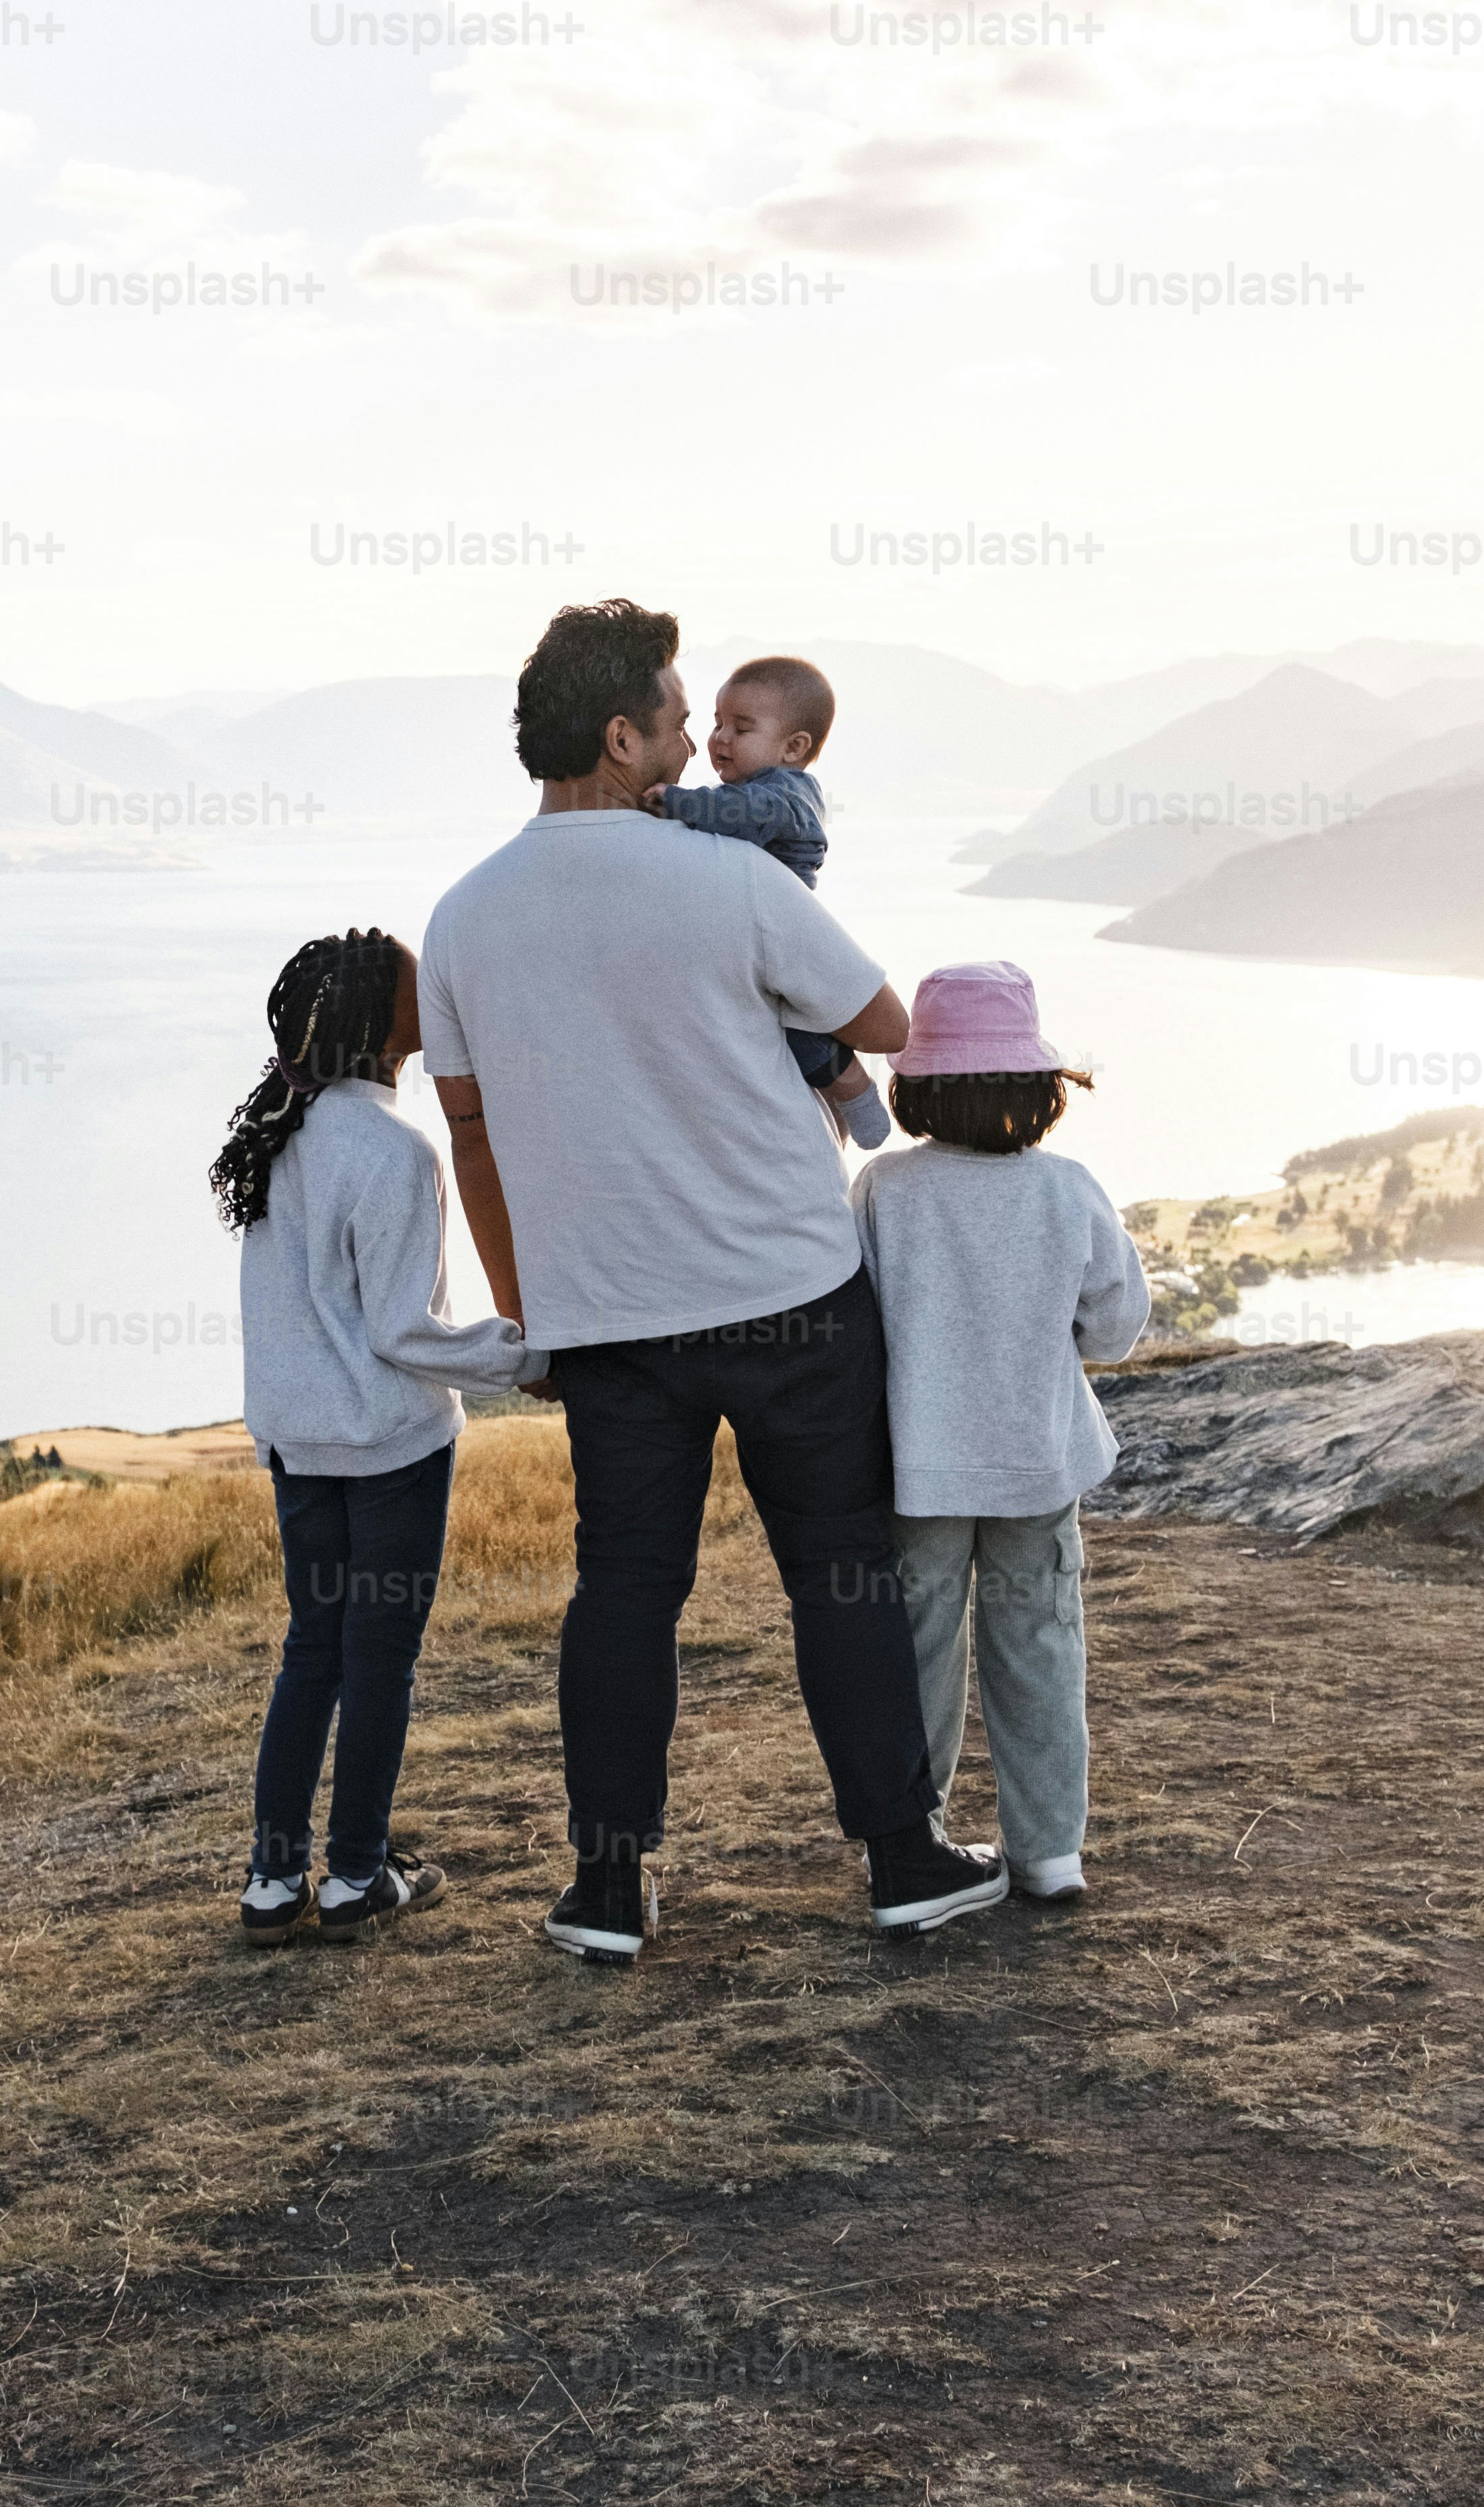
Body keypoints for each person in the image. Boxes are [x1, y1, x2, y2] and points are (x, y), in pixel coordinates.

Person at [415, 597, 1010, 1966]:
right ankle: (904, 1858)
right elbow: (886, 1025)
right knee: (841, 1577)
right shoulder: (734, 880)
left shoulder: (461, 919)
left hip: (612, 1322)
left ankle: (608, 1888)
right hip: (794, 1290)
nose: (695, 742)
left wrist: (529, 1308)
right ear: (623, 736)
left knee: (624, 1589)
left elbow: (471, 1130)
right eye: (680, 719)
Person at [215, 927, 536, 1941]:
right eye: (414, 992)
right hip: (393, 1452)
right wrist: (522, 1356)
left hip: (298, 1444)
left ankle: (273, 1883)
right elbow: (404, 1335)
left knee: (312, 1649)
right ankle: (356, 1876)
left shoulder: (277, 1139)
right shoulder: (395, 1151)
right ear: (383, 1027)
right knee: (380, 1660)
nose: (428, 1000)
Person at [853, 962, 1150, 1909]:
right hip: (1038, 1462)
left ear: (915, 1084)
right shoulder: (1070, 1190)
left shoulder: (882, 1191)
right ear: (1038, 1085)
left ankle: (918, 1841)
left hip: (918, 1469)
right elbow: (1115, 1328)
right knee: (1041, 1645)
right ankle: (1051, 1849)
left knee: (919, 1658)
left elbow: (852, 1324)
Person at [636, 654, 895, 1151]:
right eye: (716, 723)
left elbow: (742, 816)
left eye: (742, 727)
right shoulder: (755, 788)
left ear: (794, 747)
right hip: (765, 929)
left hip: (785, 928)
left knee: (802, 1028)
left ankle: (855, 1091)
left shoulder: (783, 794)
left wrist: (674, 803)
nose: (720, 739)